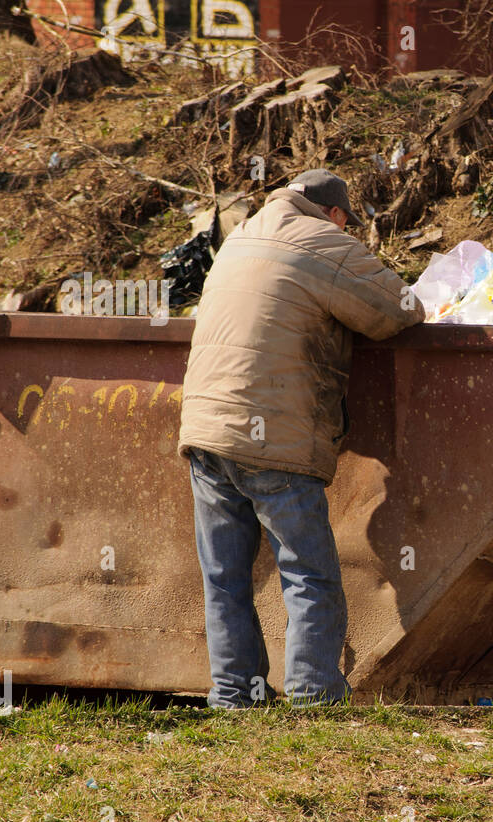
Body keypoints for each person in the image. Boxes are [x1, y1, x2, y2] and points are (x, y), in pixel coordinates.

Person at [178, 169, 425, 709]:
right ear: (335, 215)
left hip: (204, 432)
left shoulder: (238, 238)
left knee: (224, 577)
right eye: (348, 222)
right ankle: (314, 693)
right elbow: (401, 309)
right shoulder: (323, 241)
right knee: (307, 572)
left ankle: (233, 694)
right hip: (274, 436)